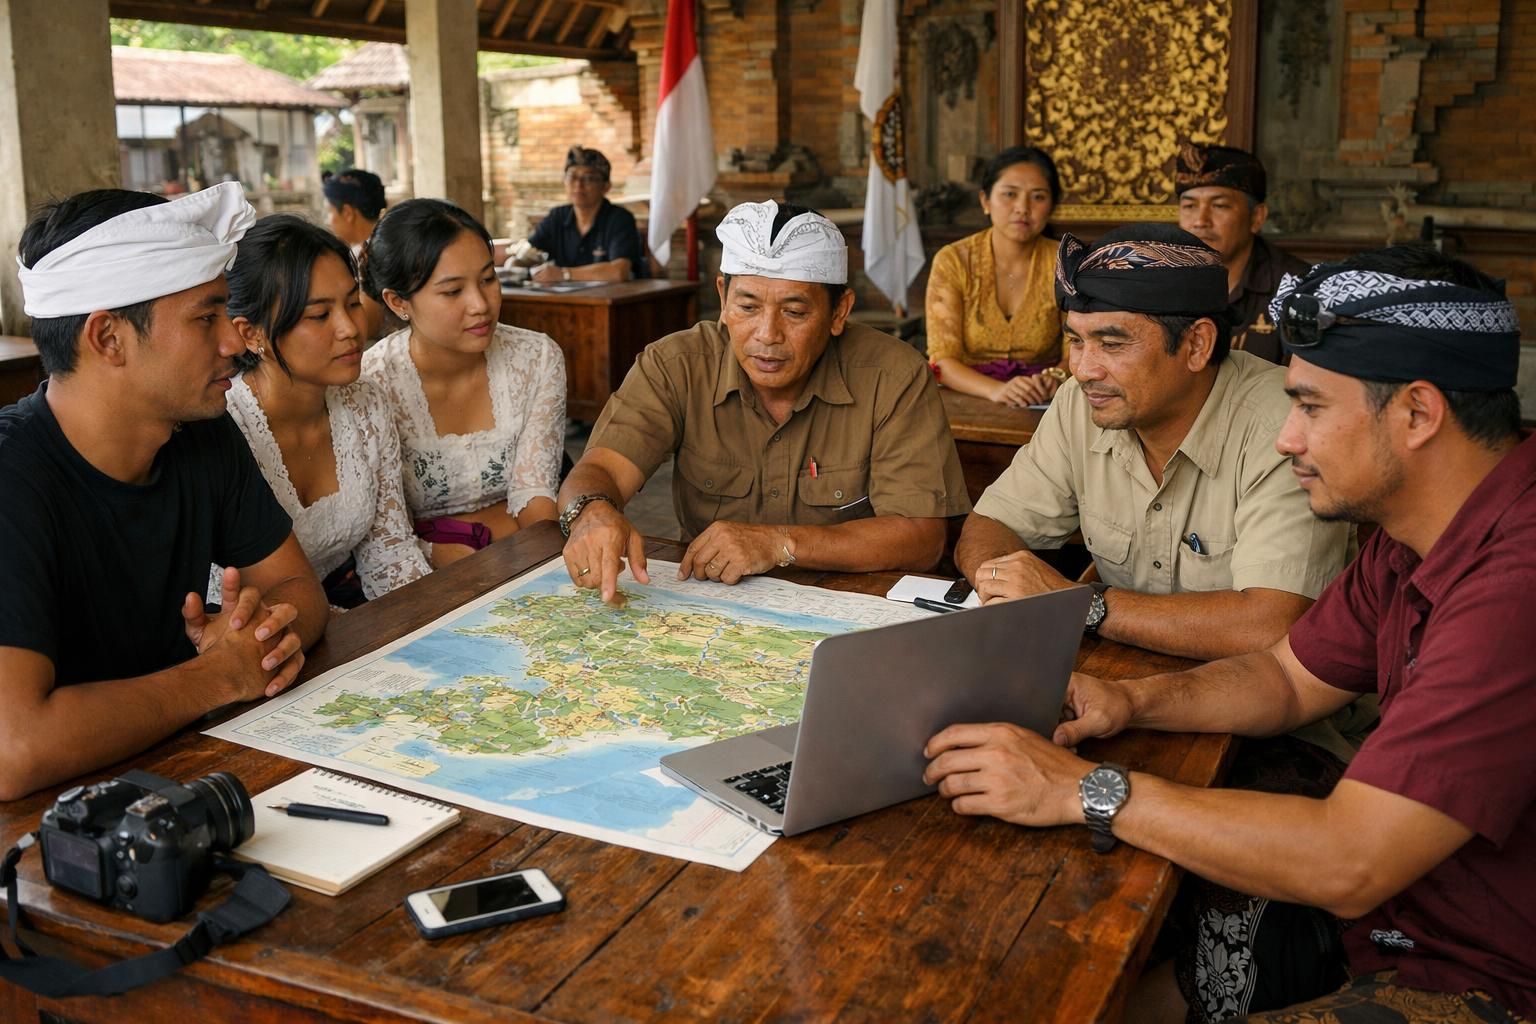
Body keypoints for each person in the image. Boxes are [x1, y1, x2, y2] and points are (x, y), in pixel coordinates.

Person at [925, 245, 1533, 1024]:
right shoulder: (1410, 537)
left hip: (1486, 975)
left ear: (1417, 414)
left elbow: (1349, 858)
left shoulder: (1514, 589)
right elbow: (1285, 678)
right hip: (1396, 919)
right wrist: (1128, 701)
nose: (1286, 439)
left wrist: (1080, 789)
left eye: (1310, 407)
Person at [0, 183, 328, 801]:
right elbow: (14, 748)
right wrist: (215, 676)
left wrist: (257, 636)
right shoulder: (13, 478)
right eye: (205, 318)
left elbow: (295, 588)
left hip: (178, 776)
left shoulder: (201, 432)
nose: (234, 342)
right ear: (107, 338)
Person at [956, 223, 1352, 662]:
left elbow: (1268, 624)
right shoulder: (1081, 403)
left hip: (1266, 716)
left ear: (1197, 344)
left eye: (1111, 343)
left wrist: (1081, 605)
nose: (1085, 370)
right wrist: (1000, 582)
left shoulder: (1284, 426)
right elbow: (989, 526)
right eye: (1075, 341)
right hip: (1121, 684)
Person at [559, 199, 971, 605]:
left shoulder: (893, 376)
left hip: (848, 606)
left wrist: (778, 543)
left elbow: (921, 538)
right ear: (723, 298)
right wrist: (592, 511)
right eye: (748, 307)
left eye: (794, 312)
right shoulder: (677, 365)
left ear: (838, 312)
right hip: (712, 605)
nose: (767, 334)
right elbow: (601, 468)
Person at [219, 214, 431, 609]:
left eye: (352, 303)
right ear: (252, 333)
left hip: (345, 617)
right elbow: (226, 595)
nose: (349, 328)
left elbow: (390, 554)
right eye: (319, 315)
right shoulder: (222, 428)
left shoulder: (365, 404)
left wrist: (430, 626)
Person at [360, 198, 566, 569]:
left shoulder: (536, 358)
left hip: (522, 555)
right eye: (453, 291)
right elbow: (389, 539)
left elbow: (534, 495)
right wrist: (465, 545)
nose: (480, 304)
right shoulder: (371, 382)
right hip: (422, 575)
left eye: (488, 279)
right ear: (397, 302)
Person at [925, 146, 1068, 407]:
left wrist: (1056, 377)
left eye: (1037, 197)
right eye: (1010, 194)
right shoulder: (954, 261)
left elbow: (1080, 349)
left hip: (1045, 401)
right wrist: (996, 391)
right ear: (985, 201)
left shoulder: (1067, 262)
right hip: (966, 398)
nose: (1022, 208)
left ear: (1052, 206)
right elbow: (942, 360)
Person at [1176, 142, 1309, 363]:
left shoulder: (1296, 287)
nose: (1200, 221)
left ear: (1257, 217)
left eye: (1219, 206)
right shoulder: (1160, 279)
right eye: (1189, 207)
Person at [516, 146, 649, 284]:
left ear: (606, 187)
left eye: (588, 178)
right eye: (572, 177)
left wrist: (563, 274)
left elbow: (619, 272)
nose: (578, 185)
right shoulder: (557, 216)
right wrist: (515, 264)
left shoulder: (620, 219)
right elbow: (528, 252)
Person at [321, 168, 392, 340]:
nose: (327, 221)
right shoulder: (368, 248)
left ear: (347, 213)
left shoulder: (372, 255)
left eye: (329, 212)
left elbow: (369, 325)